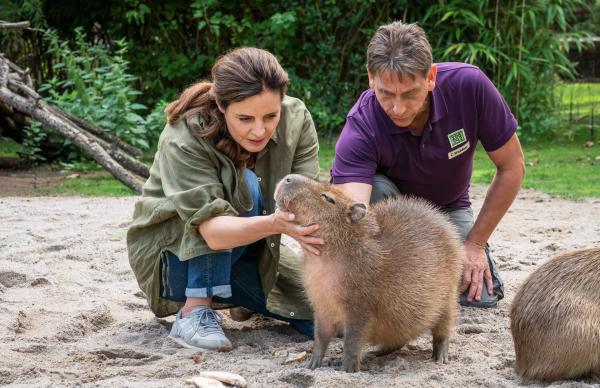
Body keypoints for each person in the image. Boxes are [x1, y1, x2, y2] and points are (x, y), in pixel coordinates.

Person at [127, 47, 324, 351]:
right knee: (244, 184)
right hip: (174, 264)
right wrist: (276, 223)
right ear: (221, 104)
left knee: (327, 315)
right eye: (244, 118)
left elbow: (307, 198)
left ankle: (242, 299)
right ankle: (195, 311)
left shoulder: (297, 117)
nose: (259, 129)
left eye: (271, 116)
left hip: (253, 247)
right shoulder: (185, 133)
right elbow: (214, 233)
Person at [331, 21, 525, 308]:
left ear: (430, 76)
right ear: (371, 78)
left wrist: (475, 244)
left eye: (409, 94)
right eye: (386, 94)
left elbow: (512, 166)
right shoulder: (360, 126)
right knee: (374, 189)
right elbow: (352, 213)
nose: (397, 108)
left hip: (448, 209)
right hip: (392, 218)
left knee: (478, 297)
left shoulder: (469, 85)